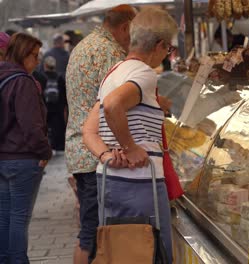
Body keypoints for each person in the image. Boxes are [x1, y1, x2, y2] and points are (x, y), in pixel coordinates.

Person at [82, 7, 178, 262]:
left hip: (110, 180)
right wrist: (131, 147)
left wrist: (105, 155)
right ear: (159, 44)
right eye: (168, 49)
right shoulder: (144, 73)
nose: (166, 55)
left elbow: (89, 129)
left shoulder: (113, 72)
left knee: (121, 252)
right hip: (141, 183)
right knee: (151, 252)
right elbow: (114, 105)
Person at [65, 5, 137, 264]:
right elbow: (115, 104)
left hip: (80, 150)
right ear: (125, 27)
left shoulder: (84, 45)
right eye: (133, 32)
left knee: (88, 231)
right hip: (98, 152)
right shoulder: (109, 52)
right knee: (93, 234)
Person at [0, 32, 52, 263]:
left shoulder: (3, 77)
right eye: (34, 55)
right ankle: (18, 260)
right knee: (19, 216)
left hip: (2, 158)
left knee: (4, 216)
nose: (38, 60)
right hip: (23, 158)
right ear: (23, 54)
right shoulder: (23, 82)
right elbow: (31, 126)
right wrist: (44, 151)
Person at [43, 56, 67, 152]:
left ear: (45, 65)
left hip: (45, 107)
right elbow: (64, 95)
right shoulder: (60, 78)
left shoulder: (41, 77)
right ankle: (58, 146)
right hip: (58, 109)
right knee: (58, 128)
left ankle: (47, 146)